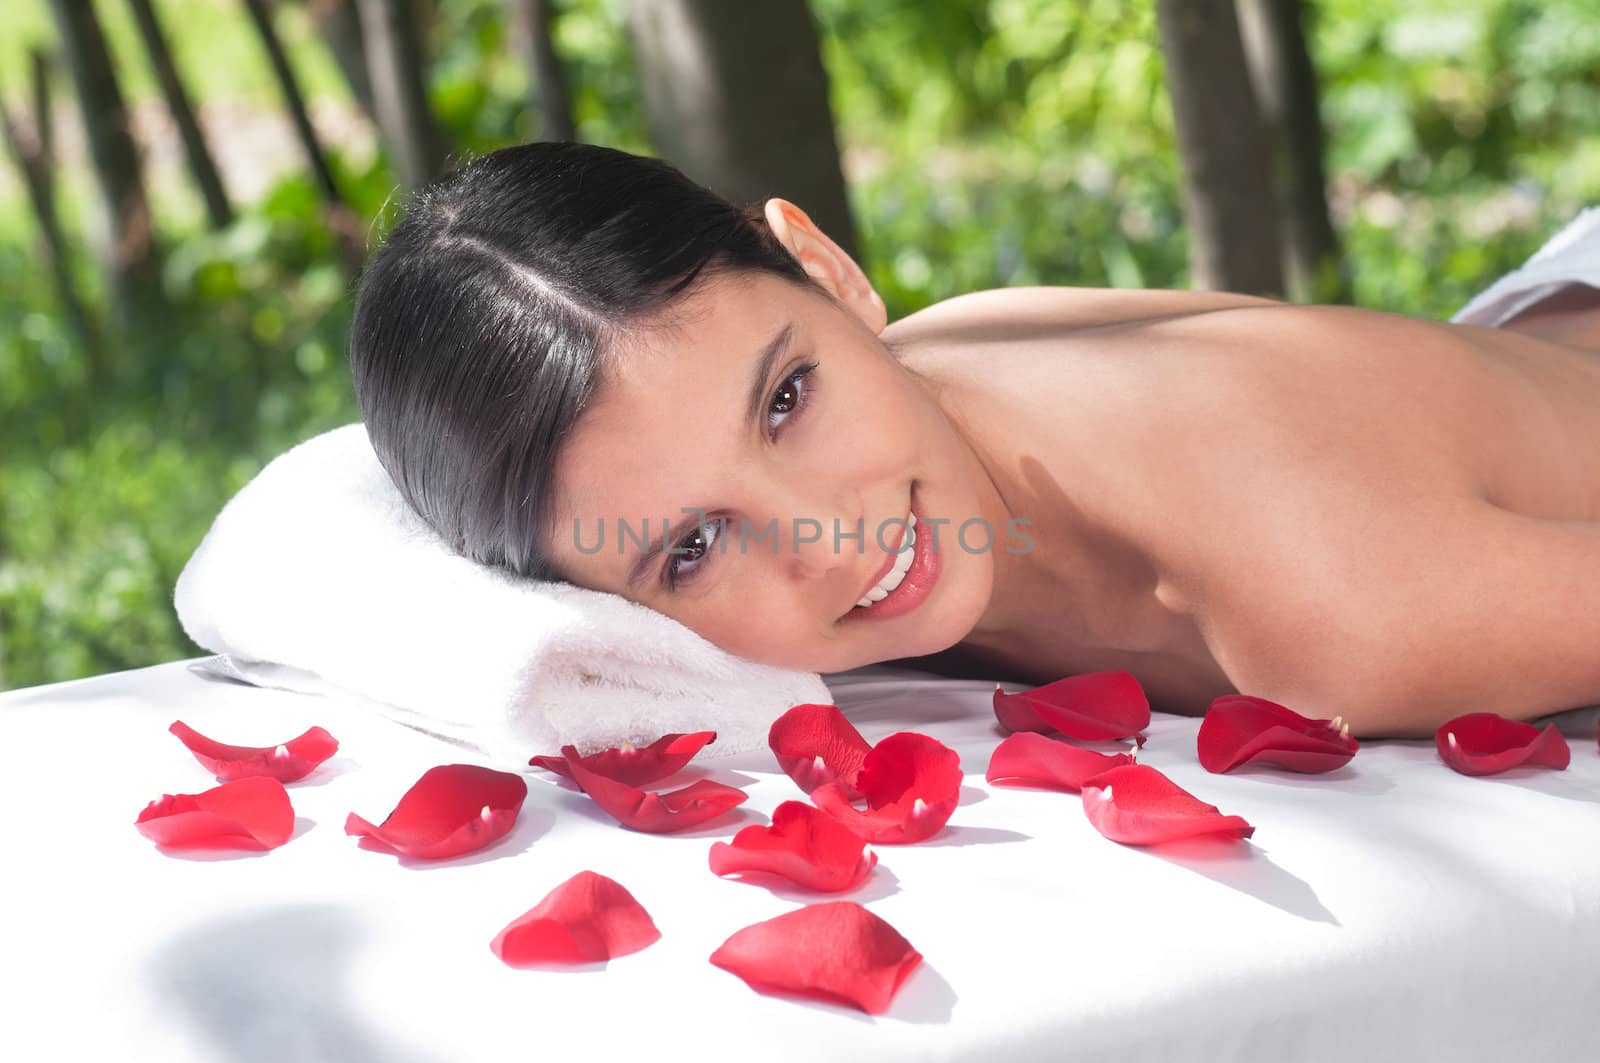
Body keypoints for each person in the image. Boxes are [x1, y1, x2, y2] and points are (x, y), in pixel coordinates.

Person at [348, 140, 1600, 740]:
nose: (829, 545)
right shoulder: (927, 397)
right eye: (691, 546)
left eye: (785, 401)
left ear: (830, 272)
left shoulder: (1331, 605)